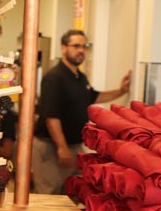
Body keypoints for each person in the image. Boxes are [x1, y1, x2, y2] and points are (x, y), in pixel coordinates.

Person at [32, 29, 131, 194]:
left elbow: (94, 97)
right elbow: (51, 117)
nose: (81, 50)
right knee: (49, 195)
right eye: (76, 46)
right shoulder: (54, 78)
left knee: (75, 193)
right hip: (51, 147)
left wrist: (122, 91)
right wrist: (62, 147)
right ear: (64, 48)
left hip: (74, 146)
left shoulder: (80, 77)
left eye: (84, 46)